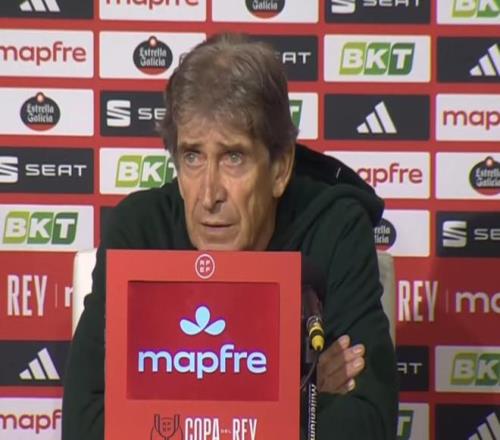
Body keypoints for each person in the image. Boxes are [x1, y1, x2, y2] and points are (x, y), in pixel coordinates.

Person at [62, 33, 398, 439]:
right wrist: (297, 397)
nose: (209, 196)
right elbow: (85, 425)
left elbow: (367, 425)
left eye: (233, 158)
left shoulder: (333, 229)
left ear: (280, 168)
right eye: (192, 157)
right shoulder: (139, 231)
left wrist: (161, 408)